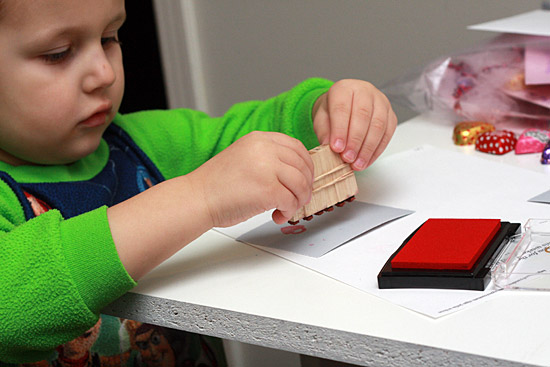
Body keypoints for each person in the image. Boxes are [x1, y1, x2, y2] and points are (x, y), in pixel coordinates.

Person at [0, 0, 398, 364]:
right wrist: (199, 196)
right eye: (58, 54)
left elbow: (254, 133)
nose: (103, 73)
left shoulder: (145, 142)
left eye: (108, 38)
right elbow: (12, 308)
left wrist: (324, 111)